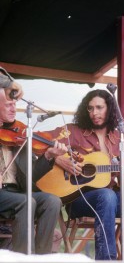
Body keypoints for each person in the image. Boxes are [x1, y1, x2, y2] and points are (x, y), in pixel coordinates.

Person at [44, 89, 124, 260]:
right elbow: (37, 140)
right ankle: (106, 259)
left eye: (99, 107)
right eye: (90, 108)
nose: (94, 113)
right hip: (79, 199)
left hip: (111, 198)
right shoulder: (72, 132)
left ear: (110, 109)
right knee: (107, 195)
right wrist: (57, 160)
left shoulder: (118, 138)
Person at [0, 86, 69, 254]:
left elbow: (31, 177)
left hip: (16, 192)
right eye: (8, 104)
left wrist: (49, 155)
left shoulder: (19, 135)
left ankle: (42, 255)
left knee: (52, 201)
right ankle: (24, 258)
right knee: (26, 202)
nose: (14, 108)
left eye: (15, 104)